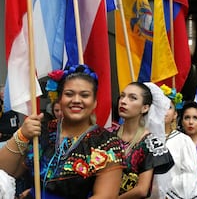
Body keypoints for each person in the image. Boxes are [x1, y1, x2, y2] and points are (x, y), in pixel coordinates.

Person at [0, 64, 124, 198]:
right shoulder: (43, 130)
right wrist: (21, 135)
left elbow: (105, 196)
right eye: (69, 94)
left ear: (94, 102)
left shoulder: (107, 143)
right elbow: (7, 171)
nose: (76, 100)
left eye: (85, 95)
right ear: (59, 100)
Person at [117, 82, 174, 198]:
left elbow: (142, 189)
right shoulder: (108, 134)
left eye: (132, 98)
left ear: (145, 108)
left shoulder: (150, 144)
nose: (123, 101)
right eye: (122, 96)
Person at [151, 84, 197, 199]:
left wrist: (165, 189)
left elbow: (190, 176)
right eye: (159, 106)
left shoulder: (183, 141)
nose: (163, 109)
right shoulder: (144, 139)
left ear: (175, 115)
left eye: (168, 107)